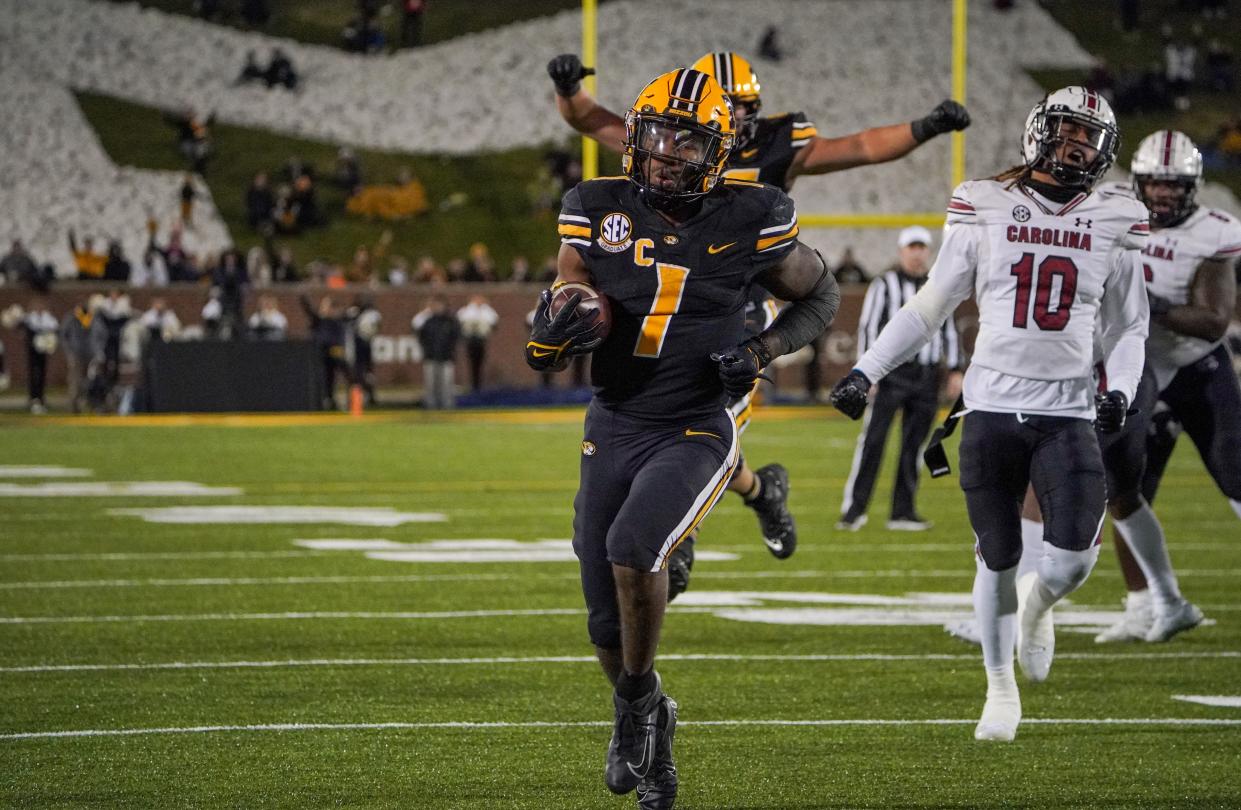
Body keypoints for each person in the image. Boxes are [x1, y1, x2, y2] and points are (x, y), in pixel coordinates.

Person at [526, 68, 838, 807]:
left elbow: (819, 295)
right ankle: (649, 712)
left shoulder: (753, 211)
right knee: (603, 617)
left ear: (718, 149)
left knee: (637, 546)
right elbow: (567, 291)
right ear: (635, 135)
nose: (666, 152)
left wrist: (761, 354)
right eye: (657, 135)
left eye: (686, 140)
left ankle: (633, 711)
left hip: (698, 421)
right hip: (614, 419)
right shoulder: (592, 205)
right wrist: (551, 334)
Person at [547, 50, 969, 569]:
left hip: (738, 305)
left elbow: (859, 146)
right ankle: (759, 491)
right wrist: (569, 91)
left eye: (740, 105)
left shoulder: (774, 148)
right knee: (670, 423)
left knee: (710, 417)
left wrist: (923, 127)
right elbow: (594, 120)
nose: (733, 114)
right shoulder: (668, 139)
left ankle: (680, 539)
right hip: (664, 301)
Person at [829, 87, 1149, 743]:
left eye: (1089, 136)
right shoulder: (984, 202)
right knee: (996, 559)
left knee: (1070, 564)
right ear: (1038, 132)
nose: (1076, 145)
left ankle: (1037, 610)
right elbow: (929, 308)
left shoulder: (1117, 214)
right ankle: (999, 690)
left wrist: (1119, 386)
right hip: (992, 410)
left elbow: (1128, 327)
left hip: (1066, 412)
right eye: (1066, 130)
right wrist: (866, 370)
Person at [1092, 130, 1241, 643]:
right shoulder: (1112, 215)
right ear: (1138, 180)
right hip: (1137, 373)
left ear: (1193, 187)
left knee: (1236, 475)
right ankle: (1145, 605)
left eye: (1174, 185)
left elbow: (1214, 321)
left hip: (1199, 370)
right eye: (1155, 183)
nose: (1163, 194)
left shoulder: (1213, 232)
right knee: (1125, 492)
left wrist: (1150, 305)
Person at [838, 225, 963, 532]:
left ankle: (902, 511)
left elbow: (949, 327)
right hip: (892, 374)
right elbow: (869, 326)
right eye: (912, 247)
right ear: (901, 251)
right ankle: (854, 509)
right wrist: (868, 373)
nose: (918, 253)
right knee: (873, 440)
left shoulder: (938, 285)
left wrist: (956, 368)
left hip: (926, 375)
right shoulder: (885, 283)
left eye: (922, 247)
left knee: (915, 444)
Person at [413, 296, 460, 409]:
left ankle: (447, 405)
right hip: (431, 356)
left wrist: (451, 351)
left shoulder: (450, 322)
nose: (438, 308)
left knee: (447, 384)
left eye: (440, 305)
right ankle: (431, 405)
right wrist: (427, 350)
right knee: (430, 384)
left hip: (446, 357)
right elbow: (421, 337)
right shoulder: (428, 322)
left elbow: (455, 338)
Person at [457, 294, 499, 392]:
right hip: (470, 340)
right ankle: (473, 384)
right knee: (472, 363)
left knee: (479, 363)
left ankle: (478, 385)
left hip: (481, 340)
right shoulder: (466, 310)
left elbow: (493, 321)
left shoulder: (486, 310)